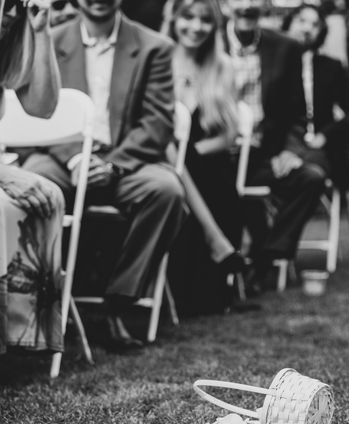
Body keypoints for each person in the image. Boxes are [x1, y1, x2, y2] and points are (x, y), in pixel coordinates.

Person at [22, 0, 187, 349]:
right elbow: (39, 115)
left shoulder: (153, 46)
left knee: (167, 190)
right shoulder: (48, 38)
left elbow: (157, 124)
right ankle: (36, 305)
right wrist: (76, 159)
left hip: (123, 162)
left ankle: (118, 304)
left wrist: (113, 165)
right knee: (33, 181)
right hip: (62, 155)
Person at [222, 0, 326, 294]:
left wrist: (290, 151)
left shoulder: (285, 48)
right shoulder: (208, 38)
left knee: (311, 178)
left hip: (262, 157)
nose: (246, 5)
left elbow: (297, 114)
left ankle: (264, 258)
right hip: (218, 156)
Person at [165, 0, 248, 314]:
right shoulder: (158, 57)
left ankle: (213, 264)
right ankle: (216, 243)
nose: (196, 27)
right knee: (172, 155)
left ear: (214, 26)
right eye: (188, 17)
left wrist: (190, 154)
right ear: (174, 18)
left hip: (203, 157)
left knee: (200, 171)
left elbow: (228, 136)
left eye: (204, 20)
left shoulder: (222, 65)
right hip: (162, 155)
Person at [0, 0, 65, 354]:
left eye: (18, 4)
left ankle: (23, 336)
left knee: (47, 196)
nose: (12, 14)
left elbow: (43, 107)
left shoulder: (12, 36)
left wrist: (40, 31)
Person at [281, 2, 349, 190]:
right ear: (289, 23)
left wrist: (325, 135)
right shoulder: (273, 63)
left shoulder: (332, 68)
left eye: (315, 25)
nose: (307, 29)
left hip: (318, 149)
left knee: (309, 176)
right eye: (302, 21)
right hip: (279, 148)